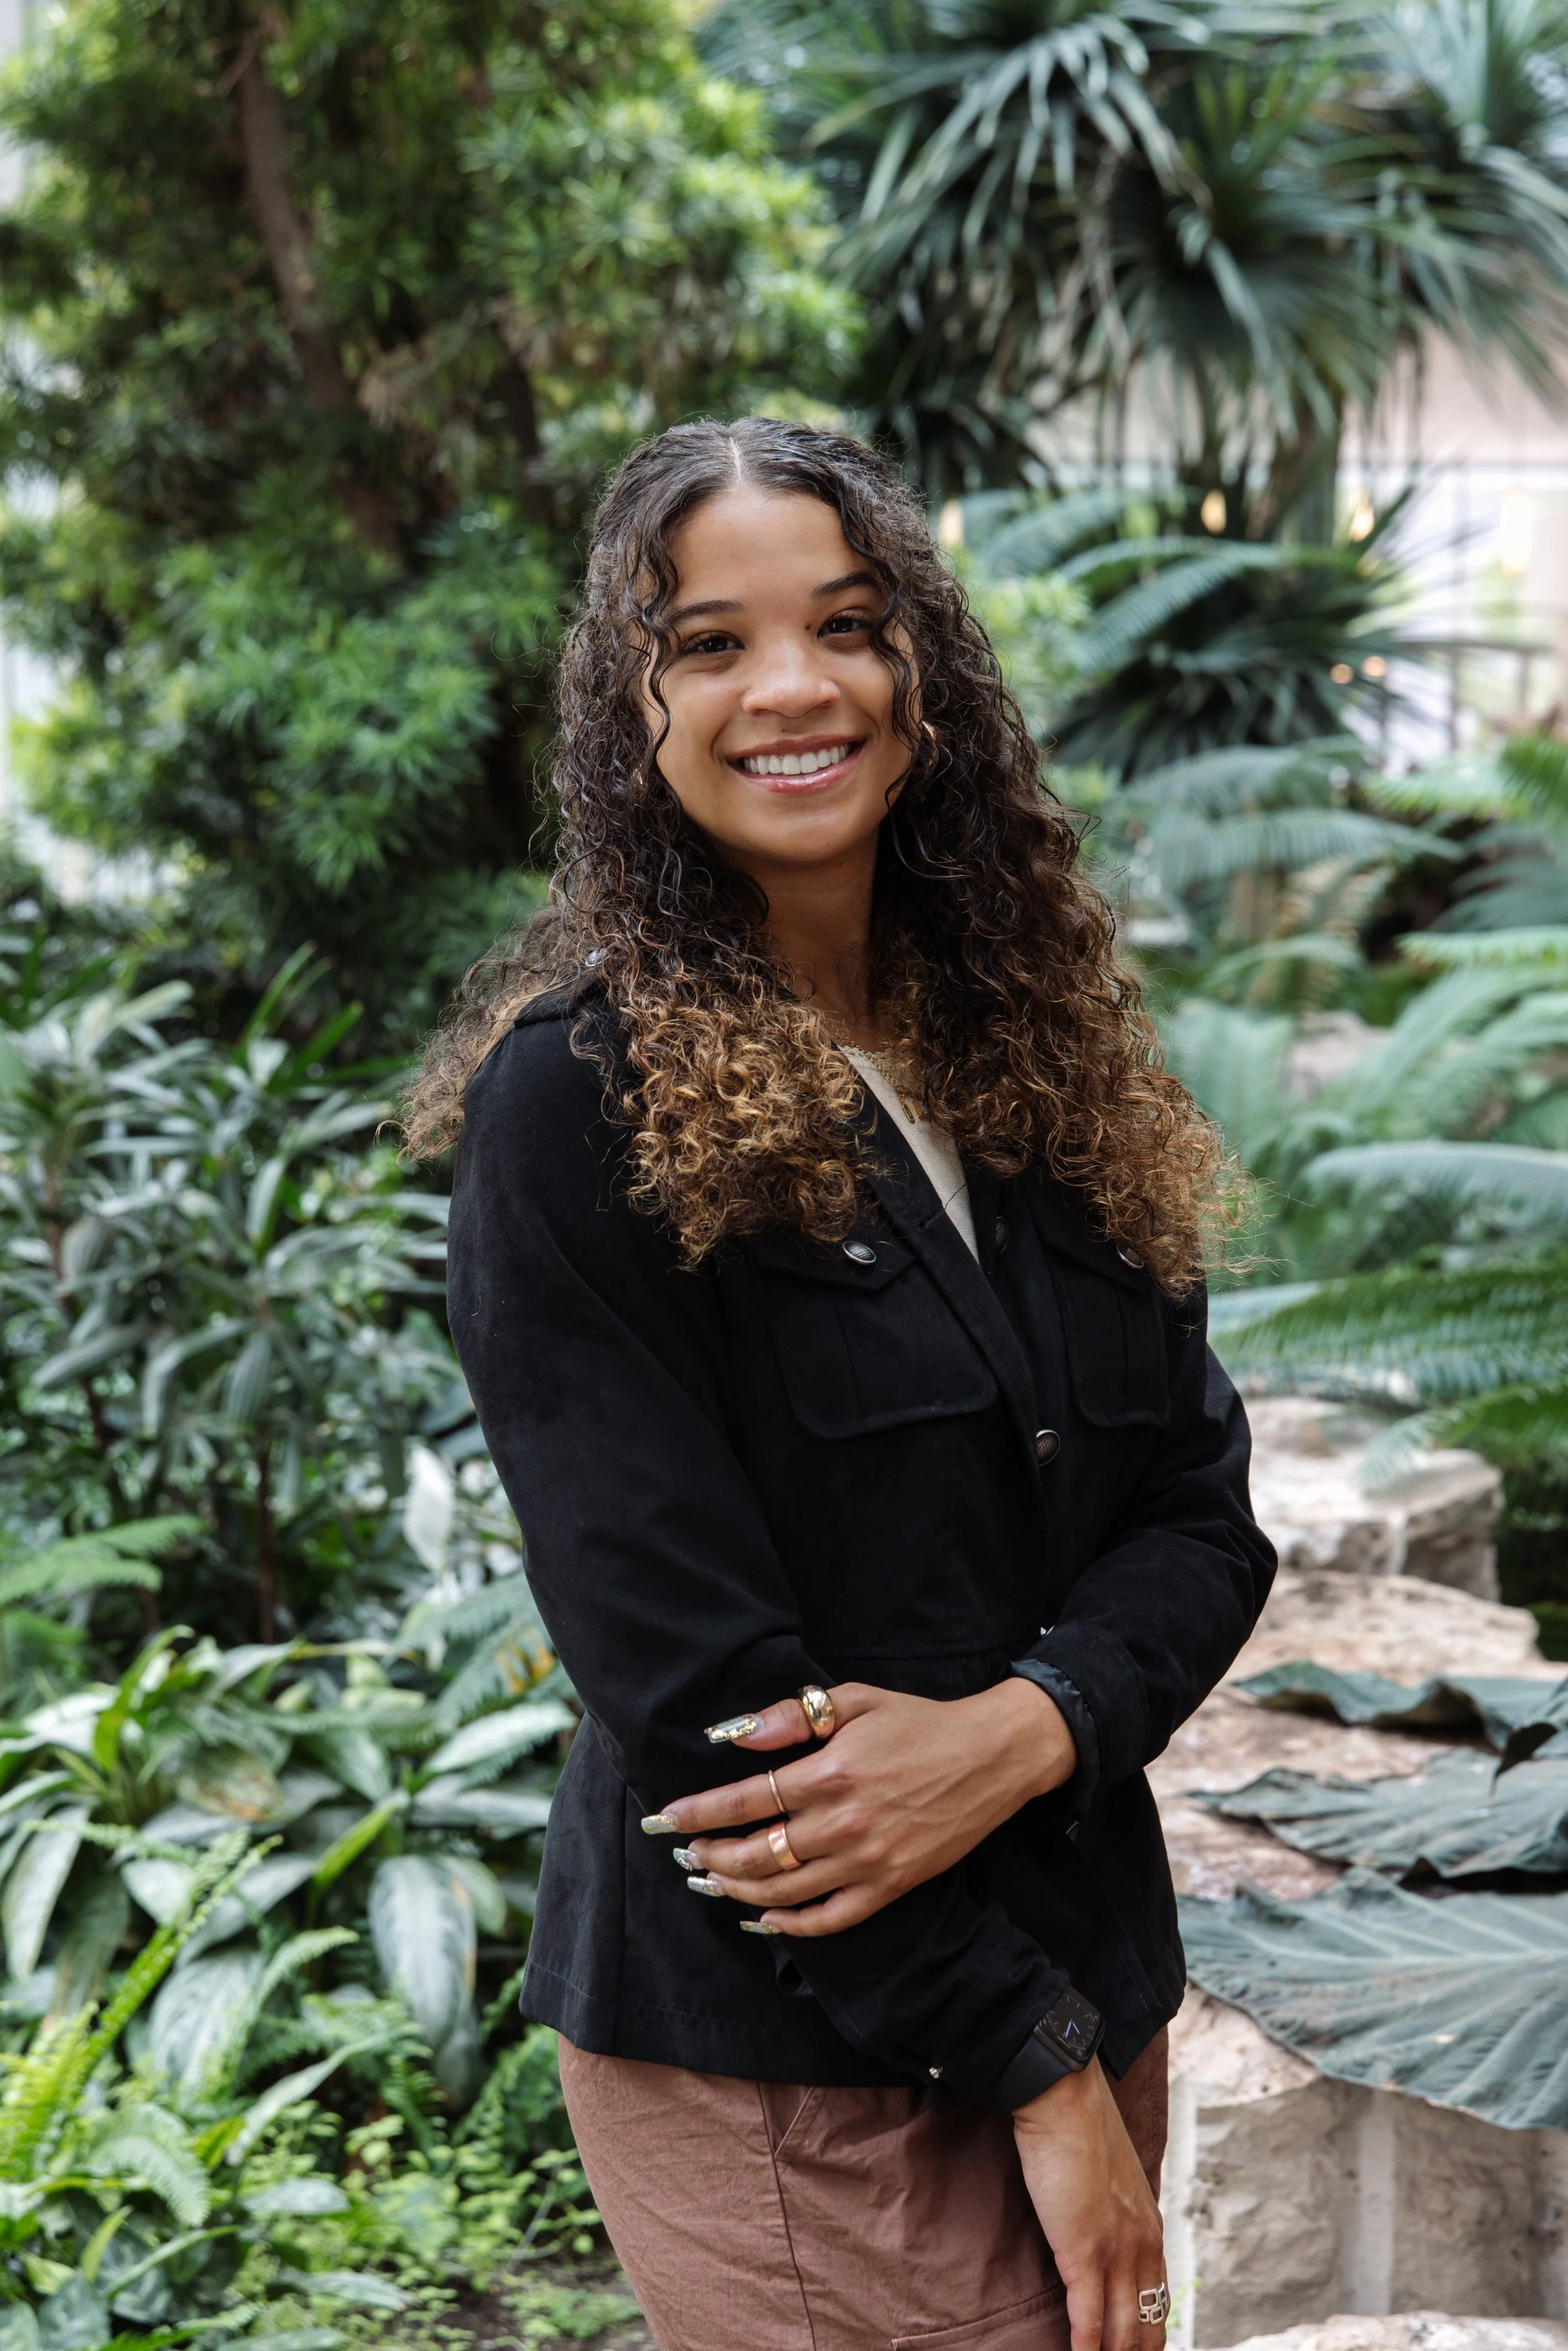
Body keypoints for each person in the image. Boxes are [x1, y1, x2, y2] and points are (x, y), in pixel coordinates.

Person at [406, 417, 1275, 2351]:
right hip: (794, 2062)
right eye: (708, 641)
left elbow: (1201, 1513)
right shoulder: (574, 1107)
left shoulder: (1029, 1045)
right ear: (632, 706)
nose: (792, 685)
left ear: (921, 673)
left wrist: (1035, 1723)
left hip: (1089, 1961)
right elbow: (708, 1704)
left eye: (848, 624)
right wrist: (1032, 2062)